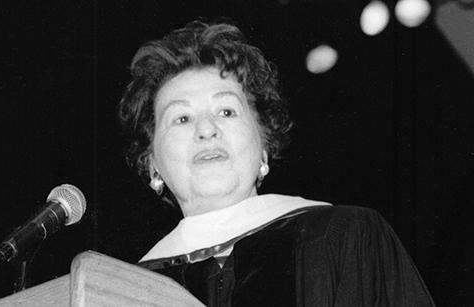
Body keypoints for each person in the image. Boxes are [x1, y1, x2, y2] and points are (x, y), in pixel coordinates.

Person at [118, 20, 434, 306]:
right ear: (152, 165)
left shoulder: (347, 239)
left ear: (264, 147)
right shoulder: (120, 293)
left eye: (226, 111)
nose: (206, 129)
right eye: (181, 118)